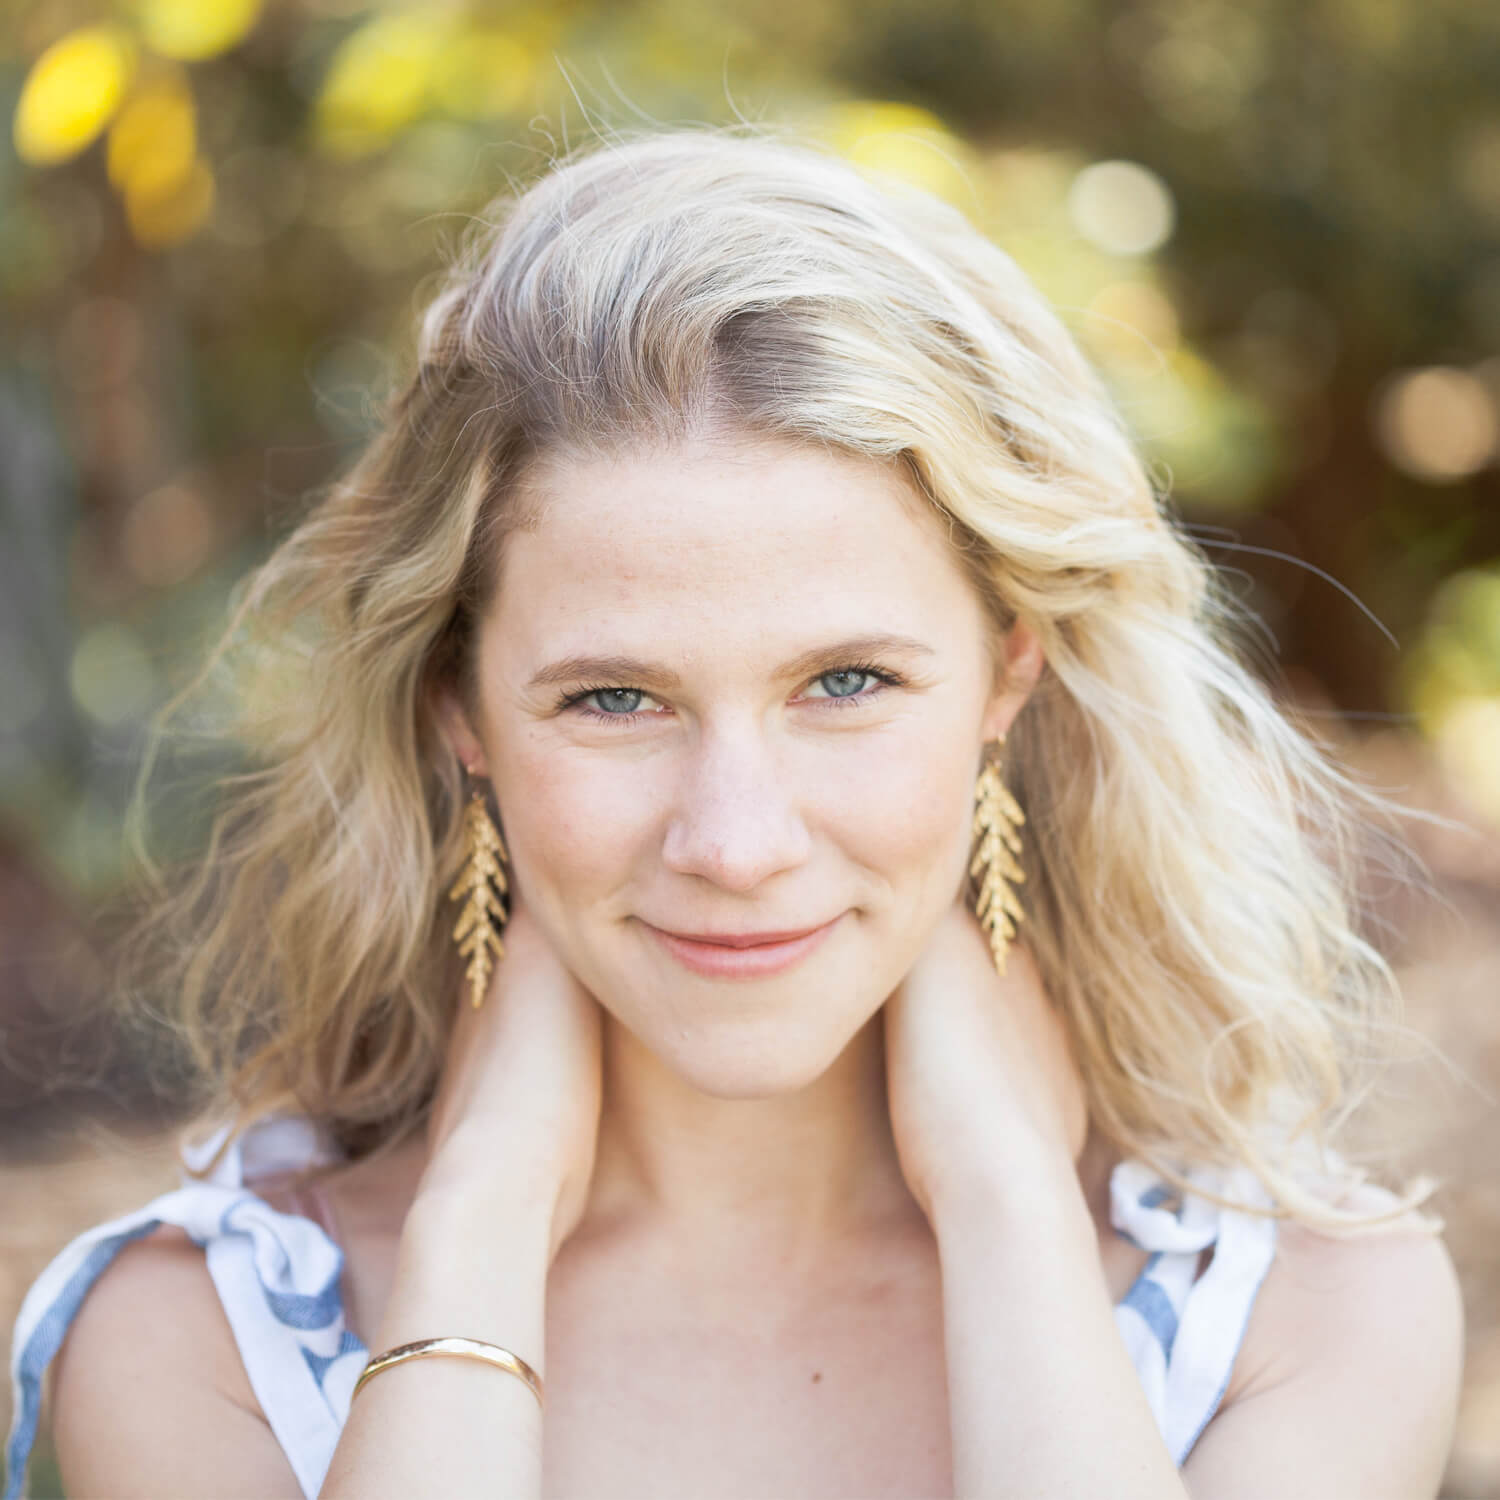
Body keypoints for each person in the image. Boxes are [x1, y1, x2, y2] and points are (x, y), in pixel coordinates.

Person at [6, 129, 1464, 1500]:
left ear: (1008, 677)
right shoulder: (194, 1348)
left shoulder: (1313, 1319)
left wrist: (1005, 1202)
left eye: (846, 681)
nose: (738, 840)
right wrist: (484, 1216)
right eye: (614, 701)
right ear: (458, 711)